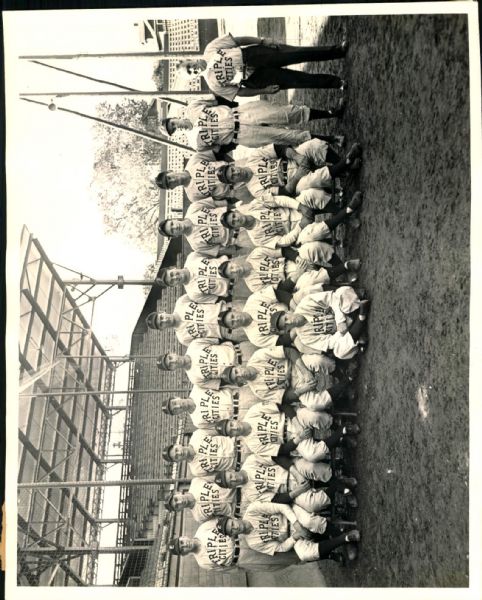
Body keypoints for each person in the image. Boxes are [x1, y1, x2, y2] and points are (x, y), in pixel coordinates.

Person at [176, 34, 348, 101]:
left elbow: (239, 41)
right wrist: (264, 91)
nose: (194, 70)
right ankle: (337, 83)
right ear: (193, 78)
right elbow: (239, 92)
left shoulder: (210, 49)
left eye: (190, 66)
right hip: (255, 79)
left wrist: (262, 41)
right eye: (191, 73)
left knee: (297, 53)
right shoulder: (213, 84)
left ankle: (337, 50)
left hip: (254, 56)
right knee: (297, 80)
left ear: (191, 59)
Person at [160, 96, 346, 151]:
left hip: (242, 113)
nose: (177, 127)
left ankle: (331, 113)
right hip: (242, 136)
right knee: (287, 137)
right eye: (174, 130)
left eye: (173, 124)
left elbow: (218, 99)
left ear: (174, 117)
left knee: (286, 114)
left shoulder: (193, 107)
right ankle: (332, 139)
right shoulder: (195, 143)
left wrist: (235, 109)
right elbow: (218, 149)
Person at [223, 190, 363, 263]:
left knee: (311, 194)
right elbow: (283, 242)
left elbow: (280, 200)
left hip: (294, 210)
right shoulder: (256, 238)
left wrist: (300, 206)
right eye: (233, 223)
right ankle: (347, 211)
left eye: (234, 216)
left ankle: (346, 218)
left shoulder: (255, 205)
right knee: (312, 234)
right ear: (236, 228)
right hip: (296, 233)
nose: (237, 219)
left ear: (236, 211)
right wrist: (300, 227)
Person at [224, 346, 356, 413]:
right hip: (295, 385)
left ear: (238, 366)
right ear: (240, 383)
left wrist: (304, 371)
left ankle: (342, 369)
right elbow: (285, 398)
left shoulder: (258, 356)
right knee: (314, 404)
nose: (240, 374)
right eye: (237, 378)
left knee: (319, 360)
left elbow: (288, 351)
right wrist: (304, 389)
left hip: (296, 365)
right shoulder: (258, 390)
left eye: (236, 371)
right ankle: (347, 382)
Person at [215, 140, 362, 199]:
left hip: (291, 160)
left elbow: (279, 149)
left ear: (233, 165)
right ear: (234, 183)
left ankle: (344, 169)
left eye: (232, 170)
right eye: (233, 176)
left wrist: (297, 156)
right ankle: (346, 162)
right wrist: (297, 176)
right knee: (311, 180)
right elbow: (284, 193)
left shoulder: (253, 157)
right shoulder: (255, 190)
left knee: (313, 146)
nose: (236, 173)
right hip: (294, 182)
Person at [214, 404, 360, 463]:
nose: (235, 428)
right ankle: (342, 432)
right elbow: (281, 450)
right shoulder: (252, 445)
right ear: (233, 437)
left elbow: (282, 404)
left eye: (231, 425)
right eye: (231, 431)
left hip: (292, 419)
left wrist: (296, 422)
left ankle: (336, 424)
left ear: (233, 420)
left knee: (315, 417)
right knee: (311, 455)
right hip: (292, 439)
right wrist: (298, 439)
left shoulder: (253, 412)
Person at [214, 454, 358, 514]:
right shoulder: (250, 494)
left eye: (230, 476)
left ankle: (342, 485)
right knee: (311, 504)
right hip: (291, 490)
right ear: (232, 488)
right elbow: (276, 499)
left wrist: (295, 472)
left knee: (310, 468)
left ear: (231, 470)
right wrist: (296, 492)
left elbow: (277, 457)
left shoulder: (251, 461)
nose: (234, 479)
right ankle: (339, 485)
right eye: (230, 483)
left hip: (291, 469)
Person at [216, 505, 360, 563]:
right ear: (233, 536)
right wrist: (295, 537)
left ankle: (343, 536)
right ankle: (345, 538)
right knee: (305, 554)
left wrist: (296, 523)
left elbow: (281, 506)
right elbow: (280, 548)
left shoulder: (252, 510)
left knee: (309, 521)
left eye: (232, 524)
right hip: (293, 537)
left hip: (293, 516)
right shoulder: (252, 543)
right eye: (232, 531)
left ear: (233, 518)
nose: (236, 528)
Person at [168, 519, 305, 571]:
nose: (184, 545)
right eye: (182, 549)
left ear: (183, 536)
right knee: (284, 558)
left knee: (281, 538)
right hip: (243, 559)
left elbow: (226, 522)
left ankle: (308, 534)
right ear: (184, 554)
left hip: (243, 539)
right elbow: (228, 569)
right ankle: (316, 554)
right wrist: (246, 565)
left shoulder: (204, 528)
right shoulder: (202, 562)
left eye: (181, 542)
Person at [270, 290, 371, 359]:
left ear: (287, 312)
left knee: (341, 293)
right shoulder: (305, 338)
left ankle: (358, 331)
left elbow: (331, 298)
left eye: (286, 319)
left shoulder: (305, 303)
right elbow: (329, 342)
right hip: (343, 332)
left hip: (342, 313)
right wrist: (340, 333)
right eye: (286, 325)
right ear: (288, 330)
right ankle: (361, 317)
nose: (289, 322)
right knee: (339, 352)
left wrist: (340, 320)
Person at [241, 246, 361, 294]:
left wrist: (298, 259)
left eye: (231, 267)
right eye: (230, 274)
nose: (234, 270)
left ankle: (343, 272)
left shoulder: (255, 254)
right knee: (309, 281)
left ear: (233, 262)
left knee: (312, 248)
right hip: (292, 281)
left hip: (292, 261)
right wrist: (297, 274)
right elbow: (280, 291)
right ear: (234, 279)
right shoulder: (253, 285)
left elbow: (283, 251)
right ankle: (345, 269)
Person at [145, 294, 251, 345]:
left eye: (161, 318)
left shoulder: (181, 302)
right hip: (227, 331)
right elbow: (209, 343)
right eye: (161, 324)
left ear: (162, 312)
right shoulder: (183, 338)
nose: (165, 320)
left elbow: (205, 295)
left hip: (228, 310)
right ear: (162, 329)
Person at [157, 201, 241, 257]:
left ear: (174, 219)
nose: (175, 227)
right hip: (237, 237)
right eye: (172, 230)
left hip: (237, 214)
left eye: (172, 224)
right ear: (175, 236)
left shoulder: (193, 208)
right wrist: (239, 247)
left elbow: (216, 203)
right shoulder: (195, 245)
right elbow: (220, 250)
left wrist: (236, 206)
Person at [157, 338, 246, 389]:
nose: (174, 361)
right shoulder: (194, 379)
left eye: (170, 358)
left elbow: (219, 339)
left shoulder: (194, 344)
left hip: (240, 352)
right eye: (170, 365)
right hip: (239, 374)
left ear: (172, 353)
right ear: (172, 369)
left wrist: (240, 343)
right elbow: (220, 383)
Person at [162, 428, 241, 477]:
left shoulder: (197, 434)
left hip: (238, 444)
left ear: (177, 445)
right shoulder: (196, 470)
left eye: (176, 450)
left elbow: (221, 431)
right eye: (176, 456)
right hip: (237, 464)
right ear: (177, 461)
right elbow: (217, 474)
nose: (179, 453)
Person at [163, 477, 241, 523]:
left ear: (178, 493)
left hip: (237, 489)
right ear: (178, 510)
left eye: (176, 499)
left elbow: (217, 477)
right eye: (177, 506)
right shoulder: (198, 517)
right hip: (238, 510)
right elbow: (218, 519)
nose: (180, 502)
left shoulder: (195, 482)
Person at [161, 386, 243, 429]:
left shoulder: (197, 388)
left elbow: (223, 384)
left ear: (176, 397)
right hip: (239, 416)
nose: (178, 406)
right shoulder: (197, 422)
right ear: (177, 414)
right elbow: (219, 426)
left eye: (174, 402)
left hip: (239, 397)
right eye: (175, 410)